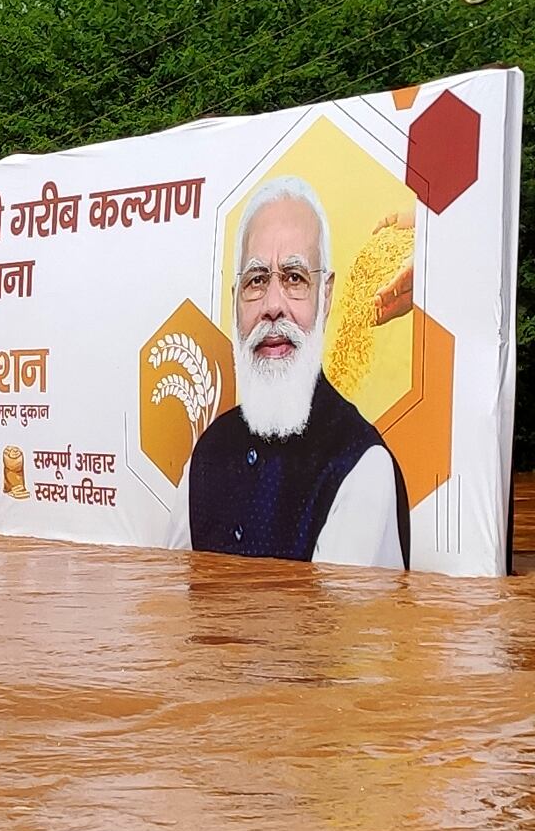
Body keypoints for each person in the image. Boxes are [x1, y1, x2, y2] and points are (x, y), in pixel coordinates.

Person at [174, 177, 410, 568]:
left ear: (326, 295)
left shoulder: (361, 467)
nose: (272, 306)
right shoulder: (208, 455)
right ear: (235, 301)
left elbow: (340, 629)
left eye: (295, 278)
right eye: (256, 281)